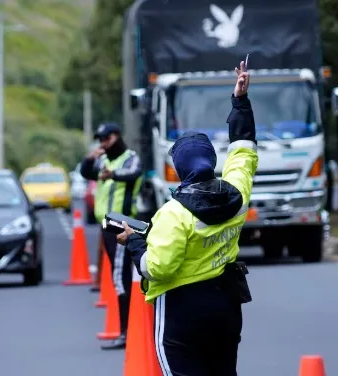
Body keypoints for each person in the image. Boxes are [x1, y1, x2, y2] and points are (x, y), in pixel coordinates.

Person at [117, 61, 257, 375]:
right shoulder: (237, 194)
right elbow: (244, 152)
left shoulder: (173, 214)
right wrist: (240, 102)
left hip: (182, 311)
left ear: (180, 170)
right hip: (226, 305)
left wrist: (136, 243)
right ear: (210, 161)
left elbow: (157, 268)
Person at [80, 122, 143, 350]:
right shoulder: (103, 160)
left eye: (106, 139)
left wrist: (112, 174)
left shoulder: (129, 157)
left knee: (120, 277)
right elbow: (86, 173)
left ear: (116, 136)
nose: (103, 143)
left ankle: (127, 332)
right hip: (107, 223)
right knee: (122, 277)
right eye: (100, 140)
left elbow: (134, 173)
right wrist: (90, 158)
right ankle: (130, 329)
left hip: (122, 222)